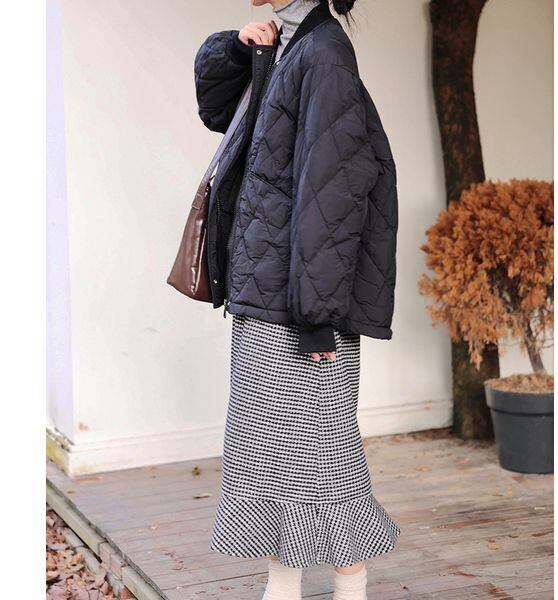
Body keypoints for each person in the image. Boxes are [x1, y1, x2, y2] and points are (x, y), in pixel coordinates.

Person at [193, 0, 399, 598]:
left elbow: (334, 192)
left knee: (321, 456)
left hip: (301, 299)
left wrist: (317, 317)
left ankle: (351, 584)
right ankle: (282, 583)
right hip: (267, 286)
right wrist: (238, 51)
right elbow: (218, 114)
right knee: (268, 456)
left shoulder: (325, 53)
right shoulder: (285, 42)